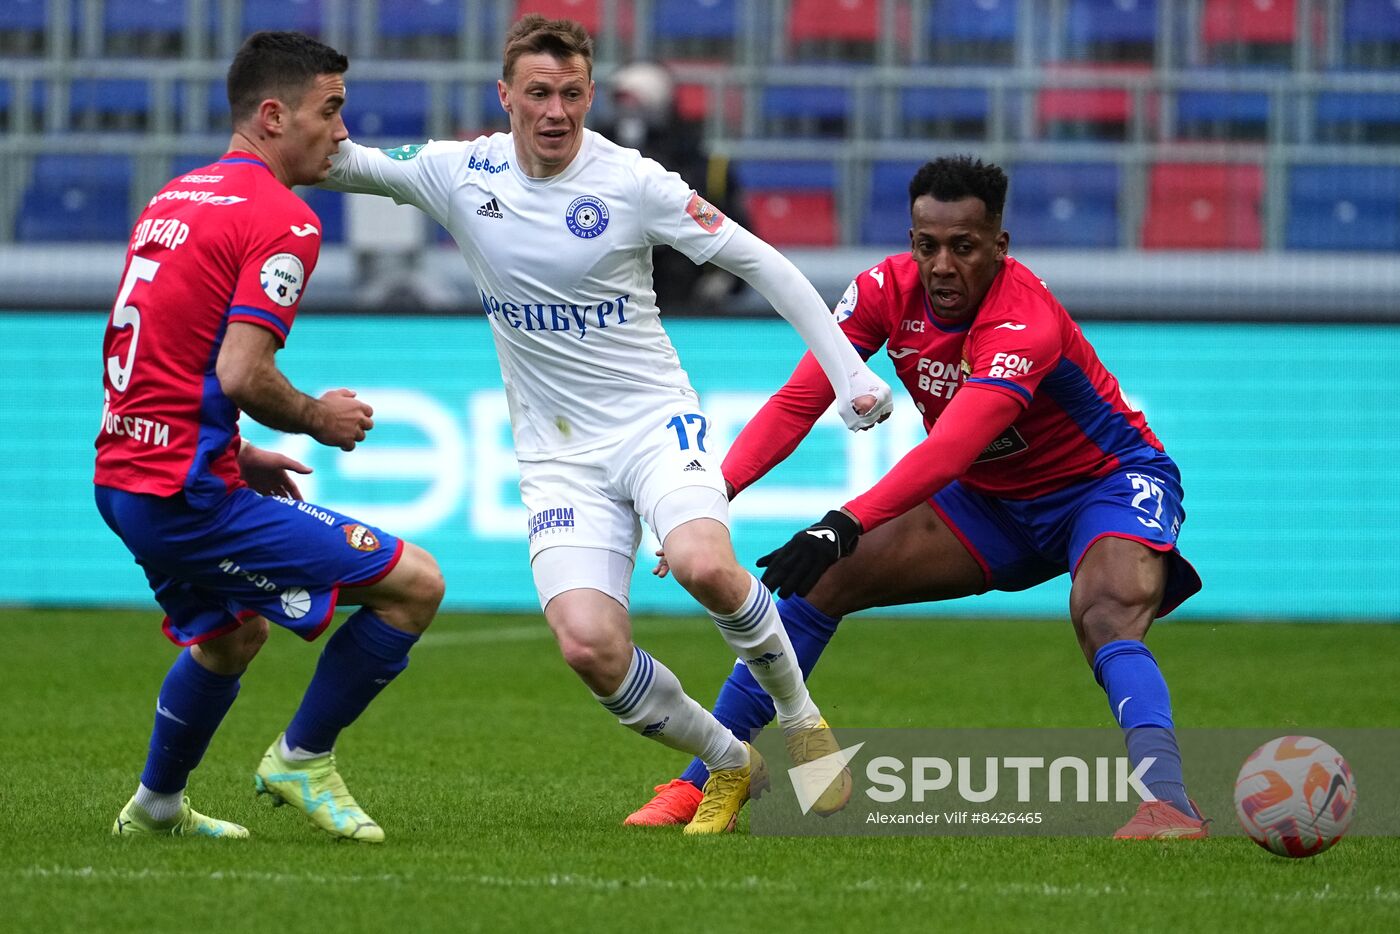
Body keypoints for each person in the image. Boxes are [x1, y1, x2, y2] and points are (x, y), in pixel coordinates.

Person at [322, 15, 893, 834]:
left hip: (653, 423)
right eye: (539, 94)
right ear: (506, 97)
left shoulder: (633, 180)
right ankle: (734, 762)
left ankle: (802, 721)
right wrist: (266, 138)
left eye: (573, 94)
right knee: (589, 647)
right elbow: (340, 162)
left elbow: (757, 260)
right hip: (558, 459)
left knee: (702, 563)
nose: (557, 112)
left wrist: (848, 371)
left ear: (591, 93)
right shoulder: (458, 172)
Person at [627, 155, 1208, 840]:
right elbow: (797, 401)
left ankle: (1167, 802)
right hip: (990, 504)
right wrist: (707, 497)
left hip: (1102, 486)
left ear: (999, 245)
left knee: (1104, 612)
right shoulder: (881, 291)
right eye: (926, 245)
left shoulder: (1025, 321)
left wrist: (844, 519)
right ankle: (709, 779)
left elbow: (951, 449)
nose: (941, 265)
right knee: (825, 577)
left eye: (963, 248)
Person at [97, 31, 444, 844]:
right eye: (331, 111)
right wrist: (320, 416)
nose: (342, 133)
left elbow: (152, 352)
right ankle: (302, 758)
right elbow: (243, 374)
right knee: (416, 584)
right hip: (183, 495)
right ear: (273, 114)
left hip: (126, 473)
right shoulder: (283, 219)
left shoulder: (173, 199)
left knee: (232, 635)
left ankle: (154, 806)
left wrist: (233, 450)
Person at [596, 60, 747, 313]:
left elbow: (731, 233)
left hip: (683, 302)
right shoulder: (588, 161)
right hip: (607, 305)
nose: (629, 111)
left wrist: (726, 279)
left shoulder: (706, 169)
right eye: (622, 101)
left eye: (638, 101)